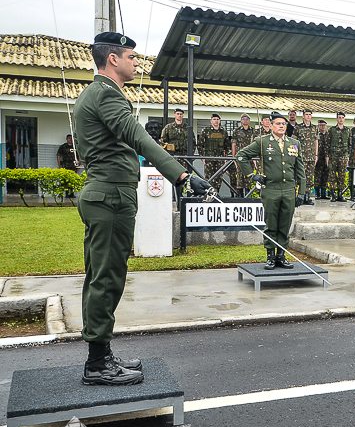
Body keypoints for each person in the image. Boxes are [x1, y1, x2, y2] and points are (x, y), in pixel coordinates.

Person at [73, 32, 212, 386]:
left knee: (104, 276)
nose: (137, 63)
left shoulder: (100, 93)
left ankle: (101, 353)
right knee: (106, 278)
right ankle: (97, 363)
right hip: (110, 197)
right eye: (132, 57)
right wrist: (181, 176)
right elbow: (138, 137)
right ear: (113, 59)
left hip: (108, 195)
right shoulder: (105, 94)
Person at [236, 112, 307, 270]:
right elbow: (241, 156)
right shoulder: (262, 142)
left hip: (288, 190)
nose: (281, 126)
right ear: (271, 125)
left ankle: (281, 255)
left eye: (283, 124)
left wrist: (302, 192)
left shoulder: (294, 143)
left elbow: (300, 169)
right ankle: (270, 256)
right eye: (278, 123)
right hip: (271, 190)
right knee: (271, 224)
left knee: (285, 224)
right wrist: (252, 175)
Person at [198, 113, 232, 192]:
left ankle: (216, 194)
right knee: (208, 178)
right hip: (209, 158)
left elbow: (227, 145)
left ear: (219, 121)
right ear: (211, 121)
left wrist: (225, 157)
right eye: (214, 119)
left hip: (220, 159)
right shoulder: (205, 131)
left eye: (217, 119)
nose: (216, 121)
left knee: (218, 178)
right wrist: (202, 157)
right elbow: (200, 145)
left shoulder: (223, 132)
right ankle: (209, 194)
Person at [294, 109, 318, 204]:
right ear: (303, 116)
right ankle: (299, 196)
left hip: (311, 157)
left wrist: (316, 154)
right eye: (306, 114)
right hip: (301, 157)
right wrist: (295, 154)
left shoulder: (314, 128)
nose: (308, 116)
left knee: (309, 177)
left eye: (309, 114)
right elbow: (294, 142)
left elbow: (316, 141)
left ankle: (307, 197)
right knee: (300, 177)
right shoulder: (298, 127)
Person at [326, 112, 350, 202]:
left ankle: (340, 195)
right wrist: (327, 156)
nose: (341, 119)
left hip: (343, 156)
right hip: (333, 156)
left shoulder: (347, 130)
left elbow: (350, 144)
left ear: (344, 119)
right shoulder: (332, 130)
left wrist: (348, 155)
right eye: (339, 117)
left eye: (342, 117)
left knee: (342, 175)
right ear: (337, 119)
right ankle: (333, 195)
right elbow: (327, 143)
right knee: (332, 175)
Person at [231, 113, 257, 196]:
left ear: (249, 121)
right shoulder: (236, 131)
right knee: (240, 177)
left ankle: (249, 196)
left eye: (247, 119)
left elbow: (256, 144)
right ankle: (240, 197)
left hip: (250, 157)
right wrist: (234, 157)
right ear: (241, 121)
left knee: (249, 177)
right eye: (243, 119)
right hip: (240, 157)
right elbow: (234, 144)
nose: (245, 120)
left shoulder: (253, 131)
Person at [314, 120, 330, 199]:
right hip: (318, 158)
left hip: (326, 158)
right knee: (317, 176)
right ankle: (317, 194)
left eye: (324, 125)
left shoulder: (328, 135)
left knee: (325, 176)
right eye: (320, 125)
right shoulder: (316, 135)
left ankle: (324, 194)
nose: (322, 127)